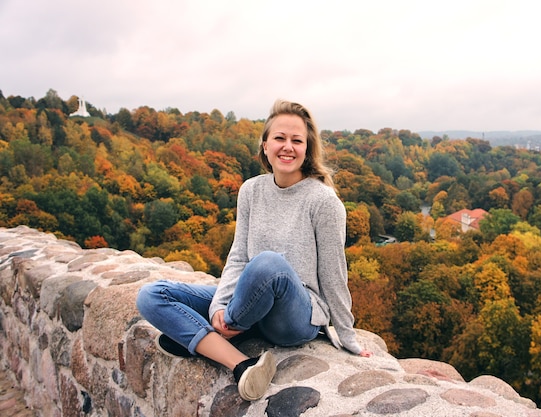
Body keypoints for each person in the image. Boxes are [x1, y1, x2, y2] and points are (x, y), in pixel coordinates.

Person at [136, 99, 373, 402]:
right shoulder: (251, 190)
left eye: (296, 140)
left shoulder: (323, 201)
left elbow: (333, 273)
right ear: (265, 145)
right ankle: (241, 363)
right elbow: (237, 256)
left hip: (296, 315)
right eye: (279, 138)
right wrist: (218, 307)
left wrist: (347, 334)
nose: (287, 146)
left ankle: (213, 335)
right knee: (152, 296)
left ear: (307, 148)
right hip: (248, 301)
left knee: (268, 264)